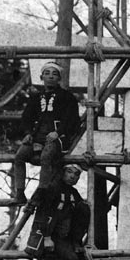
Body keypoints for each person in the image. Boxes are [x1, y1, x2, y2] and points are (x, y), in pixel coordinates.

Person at [13, 62, 80, 203]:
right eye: (47, 73)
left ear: (59, 78)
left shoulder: (67, 97)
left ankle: (41, 193)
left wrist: (58, 132)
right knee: (19, 156)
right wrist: (27, 133)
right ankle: (19, 193)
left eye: (54, 74)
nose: (50, 77)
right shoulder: (36, 98)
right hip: (37, 137)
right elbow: (27, 118)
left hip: (58, 138)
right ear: (41, 77)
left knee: (46, 156)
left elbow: (72, 120)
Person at [25, 164, 93, 260]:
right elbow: (42, 214)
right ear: (63, 172)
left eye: (76, 174)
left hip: (67, 235)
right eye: (69, 172)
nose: (72, 176)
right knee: (72, 258)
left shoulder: (74, 193)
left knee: (84, 208)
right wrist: (47, 238)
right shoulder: (53, 188)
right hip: (52, 236)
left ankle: (76, 243)